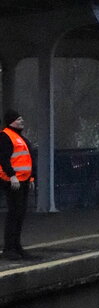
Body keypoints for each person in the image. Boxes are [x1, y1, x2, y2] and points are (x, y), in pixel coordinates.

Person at [0, 110, 36, 260]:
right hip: (13, 181)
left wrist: (31, 178)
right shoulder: (5, 136)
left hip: (23, 180)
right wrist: (12, 175)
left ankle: (16, 246)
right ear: (11, 121)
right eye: (18, 119)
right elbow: (3, 158)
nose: (22, 121)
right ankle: (9, 248)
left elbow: (28, 159)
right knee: (14, 212)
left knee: (20, 213)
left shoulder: (20, 137)